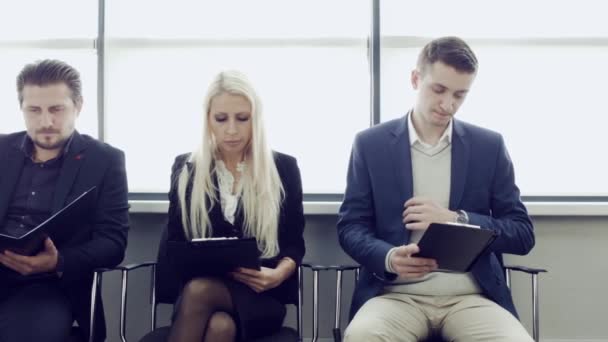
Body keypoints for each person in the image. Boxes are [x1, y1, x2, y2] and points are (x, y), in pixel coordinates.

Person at [337, 37, 535, 341]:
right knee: (362, 337)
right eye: (439, 90)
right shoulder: (370, 144)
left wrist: (456, 219)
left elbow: (522, 234)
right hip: (393, 296)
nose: (448, 104)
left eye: (460, 94)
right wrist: (389, 257)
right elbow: (351, 227)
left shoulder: (489, 146)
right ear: (416, 79)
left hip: (471, 298)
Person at [165, 70, 305, 342]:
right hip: (200, 291)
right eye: (221, 119)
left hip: (260, 297)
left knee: (198, 292)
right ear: (208, 120)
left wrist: (278, 274)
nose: (231, 129)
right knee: (219, 326)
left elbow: (294, 243)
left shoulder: (283, 168)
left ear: (256, 120)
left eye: (242, 119)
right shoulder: (187, 169)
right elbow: (175, 245)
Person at [0, 59, 129, 341]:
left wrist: (58, 261)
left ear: (78, 106)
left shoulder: (104, 160)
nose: (46, 122)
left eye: (56, 109)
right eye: (34, 110)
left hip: (49, 284)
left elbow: (113, 242)